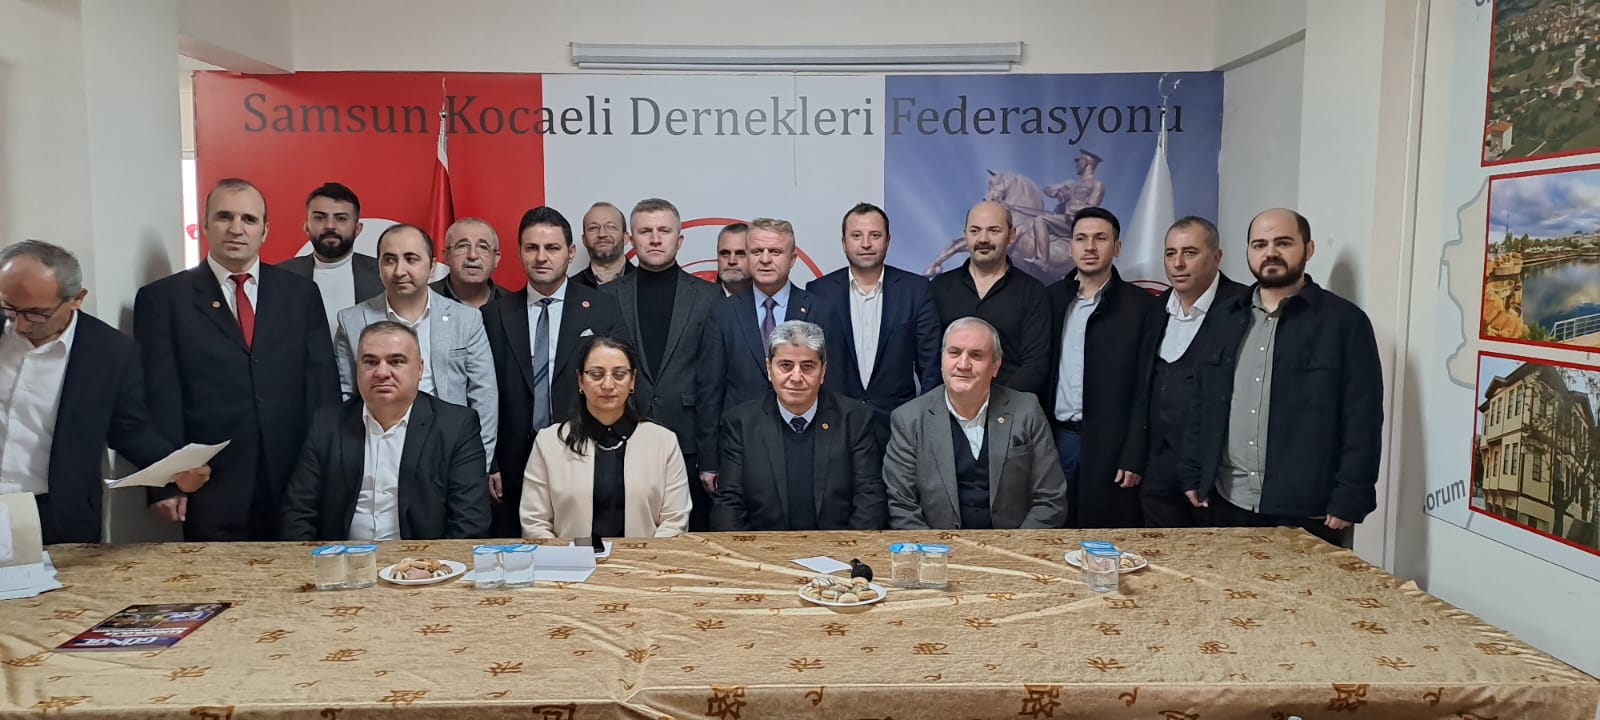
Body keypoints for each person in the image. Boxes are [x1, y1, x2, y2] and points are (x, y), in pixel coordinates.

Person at [135, 178, 339, 541]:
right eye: (224, 217)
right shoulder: (164, 300)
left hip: (295, 481)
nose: (236, 228)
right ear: (205, 224)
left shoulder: (300, 294)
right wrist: (164, 482)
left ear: (265, 230)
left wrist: (331, 470)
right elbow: (159, 397)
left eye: (249, 219)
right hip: (209, 485)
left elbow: (322, 388)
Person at [1183, 209, 1384, 546]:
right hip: (1228, 501)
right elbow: (1200, 401)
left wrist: (1351, 496)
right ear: (1248, 252)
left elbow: (1362, 418)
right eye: (1259, 244)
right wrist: (1193, 472)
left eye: (1284, 243)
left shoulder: (1344, 323)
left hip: (1309, 509)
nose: (1270, 253)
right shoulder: (1224, 318)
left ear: (1309, 249)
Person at [0, 241, 208, 544]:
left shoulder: (109, 352)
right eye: (9, 308)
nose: (19, 324)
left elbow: (129, 430)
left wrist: (175, 469)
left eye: (36, 314)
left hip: (54, 514)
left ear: (77, 299)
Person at [483, 206, 625, 536]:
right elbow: (484, 393)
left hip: (584, 451)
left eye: (552, 248)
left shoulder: (602, 308)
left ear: (570, 252)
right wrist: (491, 461)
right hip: (513, 463)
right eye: (532, 248)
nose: (541, 257)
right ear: (519, 252)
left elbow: (619, 384)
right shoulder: (494, 314)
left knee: (584, 548)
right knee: (522, 550)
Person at [280, 322, 490, 541]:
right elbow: (298, 512)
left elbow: (470, 521)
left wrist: (430, 562)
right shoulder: (327, 424)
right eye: (370, 362)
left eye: (396, 361)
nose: (381, 372)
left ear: (420, 369)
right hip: (343, 557)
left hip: (424, 559)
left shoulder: (456, 426)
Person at [331, 224, 497, 484]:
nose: (400, 271)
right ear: (378, 266)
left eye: (411, 259)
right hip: (376, 452)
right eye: (389, 260)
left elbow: (484, 397)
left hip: (449, 451)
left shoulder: (466, 320)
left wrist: (476, 467)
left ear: (432, 267)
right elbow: (345, 396)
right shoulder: (352, 321)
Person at [883, 317, 1066, 530]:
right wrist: (936, 549)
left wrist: (1015, 546)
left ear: (995, 366)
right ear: (942, 361)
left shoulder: (1026, 411)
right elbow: (902, 507)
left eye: (976, 355)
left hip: (1013, 544)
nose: (963, 364)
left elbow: (1050, 499)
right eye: (954, 353)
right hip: (936, 546)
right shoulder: (909, 419)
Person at [605, 198, 721, 530]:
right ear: (631, 239)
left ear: (679, 239)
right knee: (627, 534)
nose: (655, 239)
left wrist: (710, 457)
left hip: (688, 441)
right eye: (646, 231)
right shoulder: (607, 296)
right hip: (622, 437)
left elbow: (713, 383)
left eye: (664, 231)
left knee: (688, 537)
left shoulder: (709, 297)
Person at [712, 320, 885, 531]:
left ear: (823, 371)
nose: (796, 377)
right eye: (785, 365)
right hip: (763, 547)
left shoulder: (854, 419)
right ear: (769, 368)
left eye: (807, 366)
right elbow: (728, 505)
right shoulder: (740, 423)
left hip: (839, 546)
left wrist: (847, 548)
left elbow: (870, 499)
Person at [1045, 206, 1158, 529]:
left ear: (1117, 247)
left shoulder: (1142, 307)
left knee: (1105, 538)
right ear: (1071, 246)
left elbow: (1147, 387)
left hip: (1112, 445)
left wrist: (1134, 452)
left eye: (1100, 238)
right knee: (1053, 533)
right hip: (1056, 440)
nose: (1090, 247)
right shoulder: (1050, 300)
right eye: (1081, 239)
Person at [519, 335, 690, 539]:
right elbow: (534, 522)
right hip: (568, 558)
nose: (608, 384)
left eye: (619, 374)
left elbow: (675, 520)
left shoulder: (663, 442)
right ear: (580, 380)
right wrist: (566, 556)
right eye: (596, 374)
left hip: (645, 557)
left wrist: (643, 556)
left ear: (632, 380)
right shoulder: (549, 443)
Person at [696, 218, 815, 500]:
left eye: (775, 252)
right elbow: (710, 390)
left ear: (792, 259)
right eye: (757, 252)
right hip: (739, 449)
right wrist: (709, 460)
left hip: (805, 446)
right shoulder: (723, 313)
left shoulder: (818, 309)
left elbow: (832, 386)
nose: (765, 259)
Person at [1137, 217, 1246, 528]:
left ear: (1217, 256)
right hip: (1158, 465)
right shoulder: (1155, 309)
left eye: (1190, 252)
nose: (1178, 264)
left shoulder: (1242, 308)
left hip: (1212, 469)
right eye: (1170, 253)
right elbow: (1143, 386)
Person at [807, 203, 941, 450]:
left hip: (899, 427)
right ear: (844, 243)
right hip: (834, 424)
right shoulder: (819, 292)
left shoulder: (916, 290)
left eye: (875, 235)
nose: (866, 244)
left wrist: (925, 422)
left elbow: (931, 366)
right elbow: (811, 362)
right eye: (856, 236)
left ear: (888, 241)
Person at [928, 201, 1052, 399]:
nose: (983, 239)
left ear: (1011, 236)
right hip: (948, 407)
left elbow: (1035, 364)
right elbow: (929, 357)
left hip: (1010, 410)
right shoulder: (939, 288)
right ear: (966, 235)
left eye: (994, 231)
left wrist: (996, 406)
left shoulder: (1033, 292)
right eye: (975, 231)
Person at [277, 182, 383, 335]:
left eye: (341, 218)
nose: (330, 226)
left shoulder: (382, 274)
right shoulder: (281, 276)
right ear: (306, 227)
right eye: (320, 217)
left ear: (357, 229)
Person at [1028, 150, 1106, 266]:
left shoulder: (1097, 185)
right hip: (1064, 220)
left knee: (1040, 220)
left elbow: (1092, 208)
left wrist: (1070, 207)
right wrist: (1057, 192)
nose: (1076, 164)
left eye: (1079, 161)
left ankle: (1042, 261)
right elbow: (1047, 188)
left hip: (1078, 223)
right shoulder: (1070, 183)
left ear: (1085, 163)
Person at [429, 217, 508, 309]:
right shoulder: (423, 299)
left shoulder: (513, 305)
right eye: (463, 246)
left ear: (496, 259)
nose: (472, 255)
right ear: (446, 256)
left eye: (483, 247)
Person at [570, 202, 636, 288]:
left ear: (625, 238)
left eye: (611, 227)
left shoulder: (645, 283)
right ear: (584, 240)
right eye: (593, 228)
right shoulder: (570, 289)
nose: (602, 234)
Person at [715, 223, 752, 297]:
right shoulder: (699, 298)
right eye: (725, 254)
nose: (731, 261)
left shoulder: (769, 299)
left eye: (740, 254)